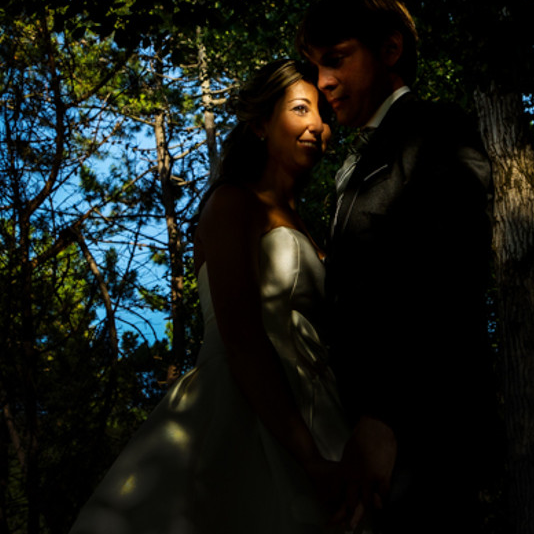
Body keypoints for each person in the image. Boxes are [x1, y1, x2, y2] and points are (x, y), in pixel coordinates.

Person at [69, 59, 362, 534]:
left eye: (323, 115)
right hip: (243, 403)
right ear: (260, 124)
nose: (317, 125)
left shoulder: (318, 230)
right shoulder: (232, 203)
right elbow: (242, 337)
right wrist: (308, 458)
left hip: (324, 405)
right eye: (301, 109)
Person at [298, 0, 496, 531]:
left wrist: (386, 417)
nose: (323, 82)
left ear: (389, 51)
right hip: (357, 436)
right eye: (316, 67)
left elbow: (451, 274)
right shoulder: (356, 167)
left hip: (420, 435)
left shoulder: (436, 128)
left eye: (336, 59)